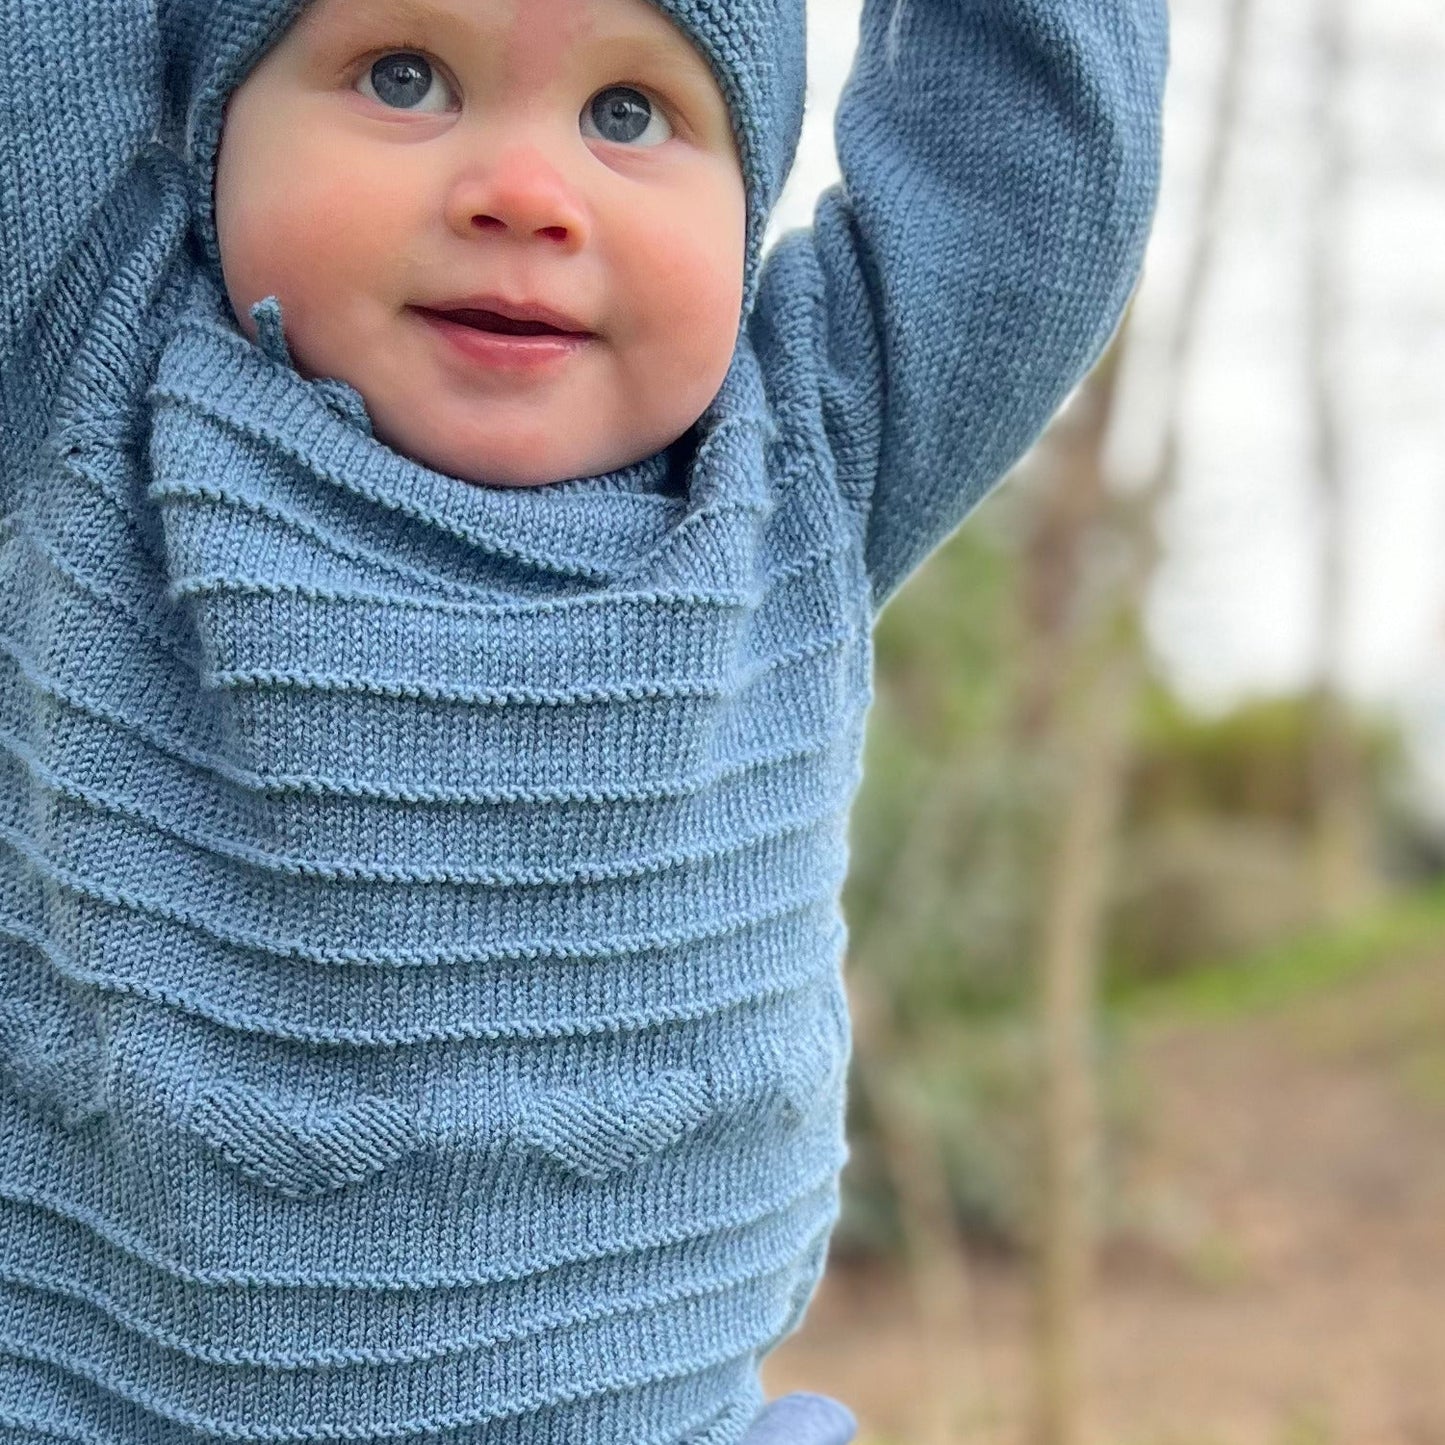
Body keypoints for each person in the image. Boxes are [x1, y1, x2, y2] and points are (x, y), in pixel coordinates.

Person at [0, 0, 1165, 1437]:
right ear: (214, 124)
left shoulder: (804, 461)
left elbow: (1038, 164)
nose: (522, 195)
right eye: (403, 75)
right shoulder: (92, 375)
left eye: (629, 114)